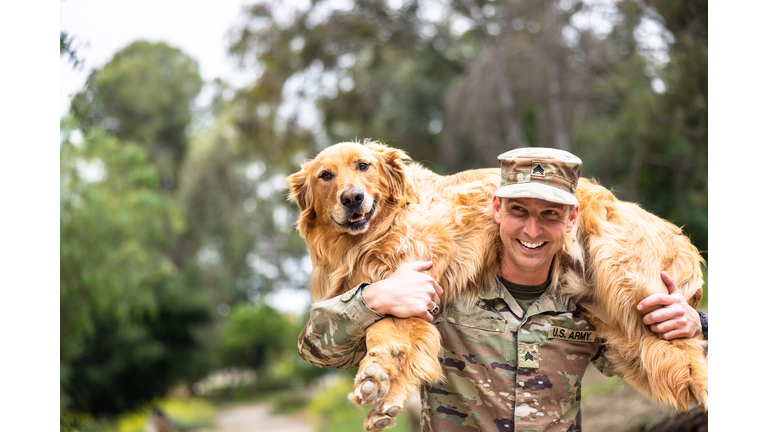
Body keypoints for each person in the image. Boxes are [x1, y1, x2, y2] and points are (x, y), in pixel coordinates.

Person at [298, 147, 707, 431]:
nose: (532, 229)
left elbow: (650, 364)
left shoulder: (582, 299)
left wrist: (699, 324)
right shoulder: (440, 286)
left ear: (571, 221)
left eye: (549, 214)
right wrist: (373, 298)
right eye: (518, 211)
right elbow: (317, 350)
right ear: (495, 209)